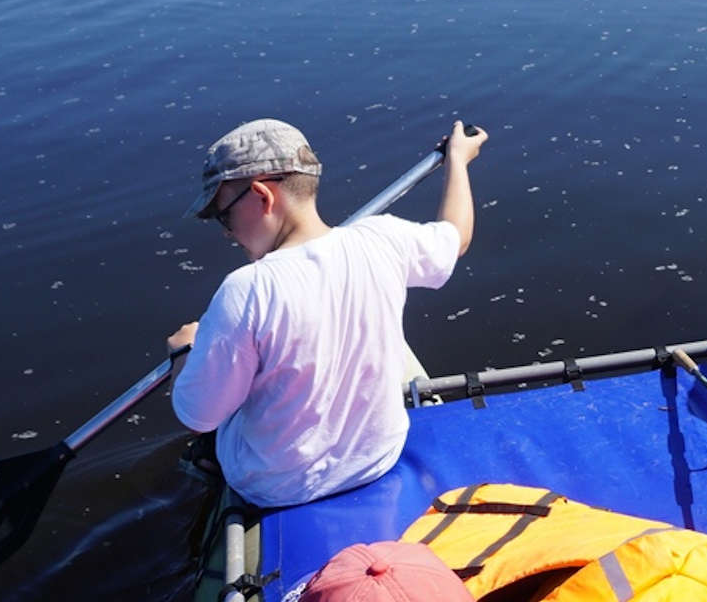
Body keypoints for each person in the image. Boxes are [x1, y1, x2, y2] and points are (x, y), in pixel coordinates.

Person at [166, 118, 487, 507]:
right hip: (377, 459)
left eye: (224, 216)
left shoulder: (246, 289)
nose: (226, 232)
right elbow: (457, 236)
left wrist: (184, 353)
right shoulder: (384, 239)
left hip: (275, 487)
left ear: (262, 196)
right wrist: (458, 160)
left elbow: (198, 416)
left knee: (216, 408)